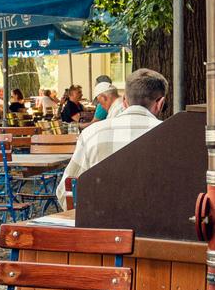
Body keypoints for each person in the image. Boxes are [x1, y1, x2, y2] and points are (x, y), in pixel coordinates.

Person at [58, 70, 168, 205]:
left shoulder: (91, 134)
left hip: (101, 223)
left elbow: (66, 192)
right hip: (155, 223)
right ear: (160, 103)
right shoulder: (174, 136)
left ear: (125, 102)